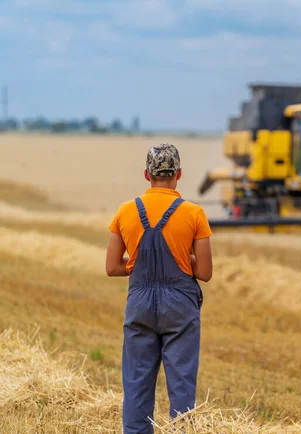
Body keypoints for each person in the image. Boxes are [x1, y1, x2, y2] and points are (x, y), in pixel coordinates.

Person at [105, 143, 213, 433]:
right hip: (180, 307)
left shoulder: (125, 212)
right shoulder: (194, 214)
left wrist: (139, 262)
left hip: (139, 304)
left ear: (146, 174)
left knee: (137, 387)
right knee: (181, 389)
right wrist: (180, 258)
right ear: (178, 174)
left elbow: (112, 267)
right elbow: (204, 272)